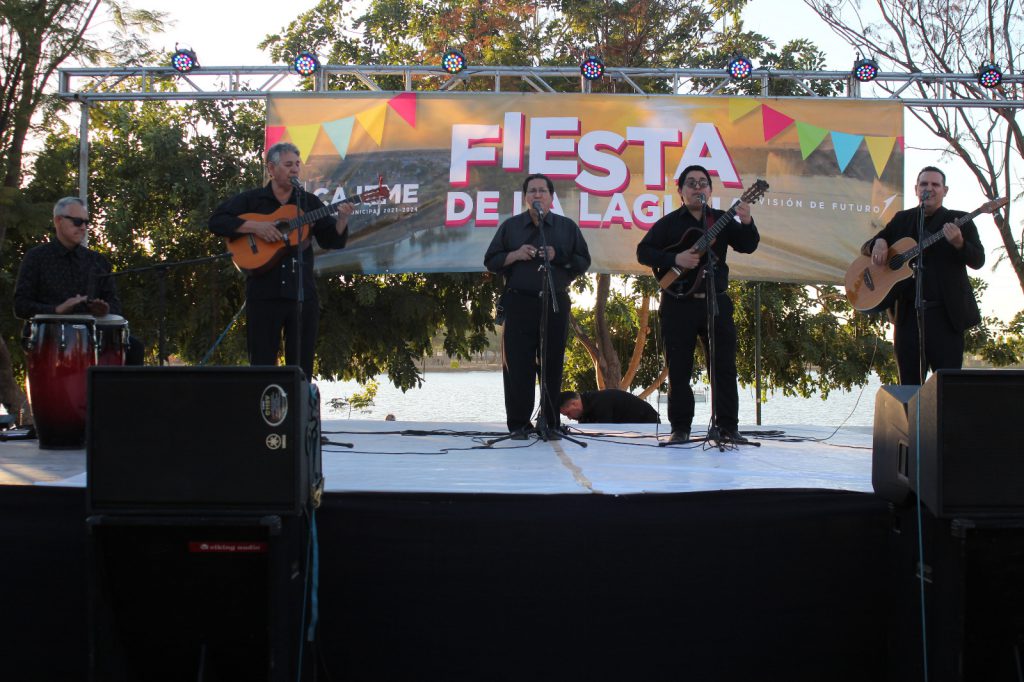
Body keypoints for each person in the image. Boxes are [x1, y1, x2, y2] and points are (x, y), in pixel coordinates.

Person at [636, 165, 759, 444]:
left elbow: (748, 245)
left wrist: (748, 220)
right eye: (691, 183)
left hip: (716, 302)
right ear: (680, 191)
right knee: (679, 368)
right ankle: (680, 429)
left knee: (724, 367)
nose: (697, 187)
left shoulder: (722, 221)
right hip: (678, 303)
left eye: (703, 183)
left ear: (710, 191)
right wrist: (675, 260)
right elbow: (644, 252)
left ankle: (728, 427)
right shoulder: (668, 224)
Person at [209, 142, 353, 379]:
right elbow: (217, 221)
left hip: (302, 295)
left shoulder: (308, 203)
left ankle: (297, 414)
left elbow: (332, 241)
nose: (294, 169)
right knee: (262, 365)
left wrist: (342, 220)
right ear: (271, 169)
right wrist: (257, 226)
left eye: (297, 164)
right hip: (264, 294)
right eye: (288, 165)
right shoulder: (252, 200)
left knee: (301, 367)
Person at [484, 173, 591, 439]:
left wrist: (559, 256)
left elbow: (583, 262)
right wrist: (515, 255)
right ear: (525, 197)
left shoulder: (567, 228)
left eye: (542, 191)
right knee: (518, 367)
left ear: (551, 197)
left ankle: (551, 423)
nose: (537, 195)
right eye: (532, 191)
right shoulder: (511, 227)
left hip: (555, 301)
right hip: (519, 302)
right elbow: (491, 260)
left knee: (552, 364)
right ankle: (519, 425)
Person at [861, 166, 984, 385]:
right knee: (909, 387)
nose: (929, 189)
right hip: (908, 318)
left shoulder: (960, 219)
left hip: (946, 319)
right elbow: (867, 247)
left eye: (935, 185)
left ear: (945, 190)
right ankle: (911, 421)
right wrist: (877, 243)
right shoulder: (902, 220)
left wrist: (959, 243)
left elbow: (978, 260)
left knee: (947, 389)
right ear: (916, 189)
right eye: (924, 184)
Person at [14, 196, 144, 364]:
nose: (83, 227)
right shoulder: (36, 258)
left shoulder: (98, 261)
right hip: (49, 338)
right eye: (77, 222)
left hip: (94, 336)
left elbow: (116, 306)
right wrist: (57, 310)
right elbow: (20, 306)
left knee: (135, 347)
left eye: (86, 223)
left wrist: (104, 310)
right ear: (58, 220)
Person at [559, 389, 660, 424]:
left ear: (574, 404)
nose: (569, 418)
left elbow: (606, 431)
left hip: (648, 422)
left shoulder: (599, 402)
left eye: (568, 413)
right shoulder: (587, 405)